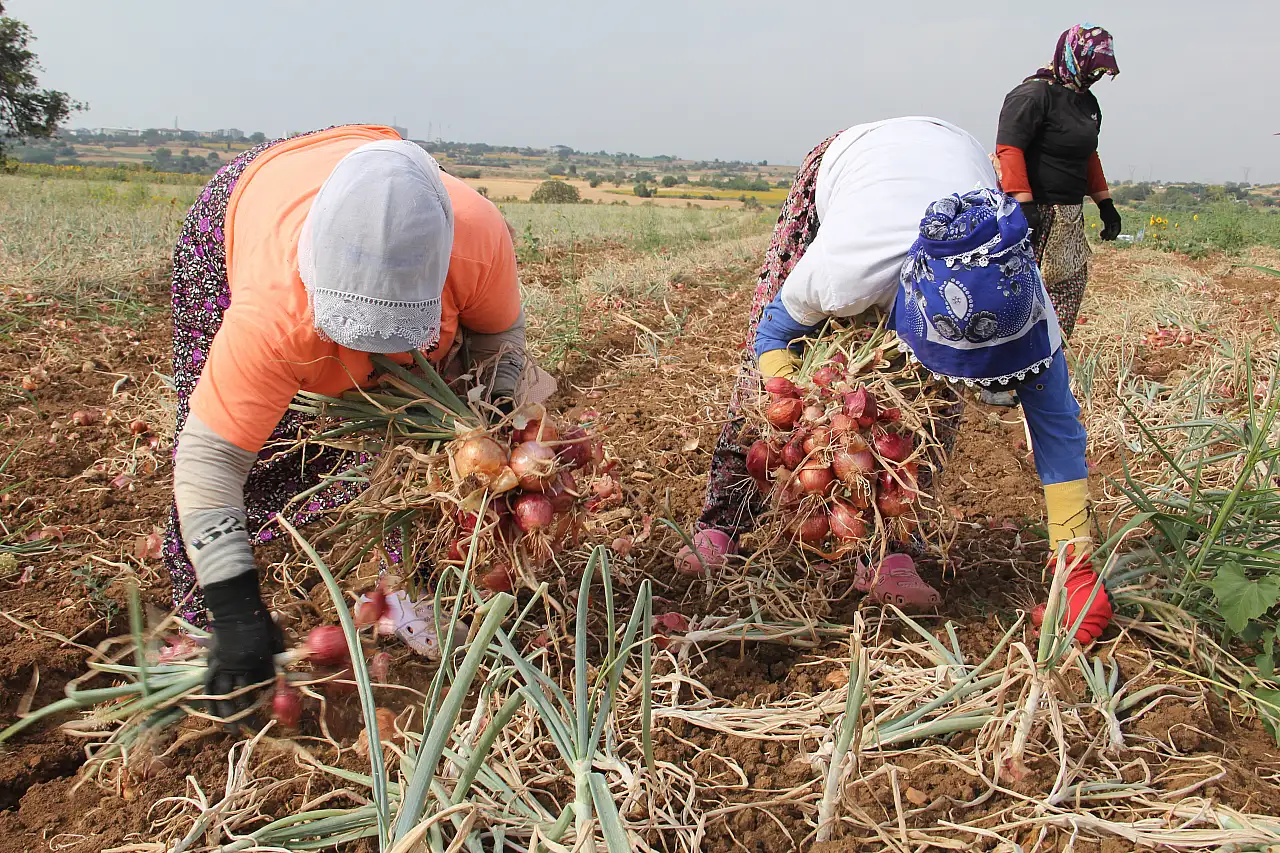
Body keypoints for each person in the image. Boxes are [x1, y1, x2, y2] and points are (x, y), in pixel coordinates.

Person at [164, 125, 552, 714]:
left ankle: (409, 589)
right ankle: (207, 622)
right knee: (256, 444)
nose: (370, 363)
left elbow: (500, 339)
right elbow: (209, 458)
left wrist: (492, 421)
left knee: (424, 445)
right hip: (248, 206)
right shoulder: (272, 313)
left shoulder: (476, 240)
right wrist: (233, 605)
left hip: (376, 189)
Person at [677, 117, 1111, 643]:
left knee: (926, 404)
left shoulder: (1023, 304)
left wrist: (1076, 565)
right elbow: (771, 336)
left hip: (951, 162)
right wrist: (805, 416)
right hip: (851, 162)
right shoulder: (842, 271)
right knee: (765, 390)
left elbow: (1058, 433)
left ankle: (892, 548)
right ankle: (722, 521)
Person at [996, 24, 1122, 342]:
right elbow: (1010, 148)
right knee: (1019, 292)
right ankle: (1001, 375)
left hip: (1068, 216)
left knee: (1066, 289)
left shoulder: (1087, 104)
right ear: (1071, 57)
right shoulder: (1033, 95)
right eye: (1092, 68)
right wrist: (1023, 204)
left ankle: (1047, 361)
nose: (1094, 77)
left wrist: (1105, 205)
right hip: (1033, 211)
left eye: (1100, 72)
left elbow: (1088, 156)